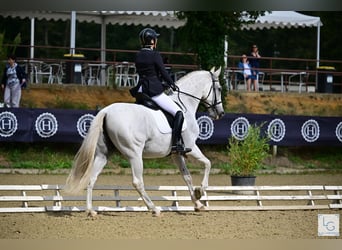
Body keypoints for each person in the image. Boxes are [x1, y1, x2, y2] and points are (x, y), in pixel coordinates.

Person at [132, 27, 191, 154]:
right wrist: (172, 84)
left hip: (142, 90)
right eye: (155, 39)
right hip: (154, 91)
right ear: (152, 41)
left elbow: (147, 72)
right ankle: (176, 144)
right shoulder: (154, 54)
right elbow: (163, 72)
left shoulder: (138, 55)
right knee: (178, 112)